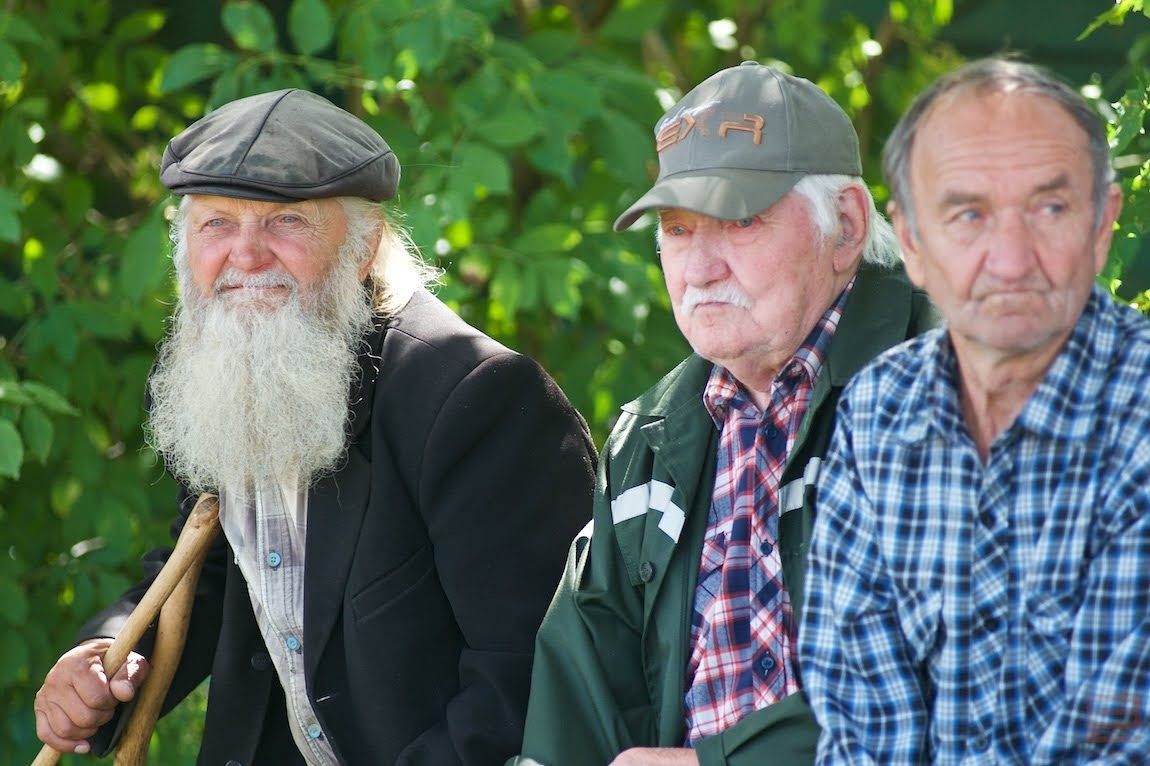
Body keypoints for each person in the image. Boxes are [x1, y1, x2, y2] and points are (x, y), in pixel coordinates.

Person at [32, 88, 597, 765]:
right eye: (217, 224)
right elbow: (213, 565)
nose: (245, 255)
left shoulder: (477, 399)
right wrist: (109, 654)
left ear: (363, 248)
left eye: (285, 222)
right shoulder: (228, 360)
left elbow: (527, 683)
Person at [509, 61, 940, 766]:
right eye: (677, 230)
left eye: (739, 221)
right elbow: (578, 691)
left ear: (848, 226)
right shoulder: (651, 438)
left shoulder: (950, 389)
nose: (699, 267)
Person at [798, 57, 1150, 764]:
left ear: (1103, 224)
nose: (1012, 260)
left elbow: (1118, 746)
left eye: (1050, 208)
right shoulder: (876, 415)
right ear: (915, 244)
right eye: (969, 215)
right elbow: (864, 735)